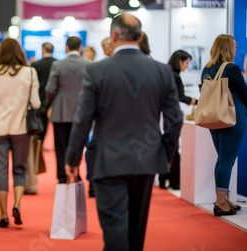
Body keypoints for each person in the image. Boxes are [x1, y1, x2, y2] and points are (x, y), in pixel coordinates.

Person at [65, 13, 182, 251]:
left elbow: (83, 120)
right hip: (147, 160)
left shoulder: (97, 71)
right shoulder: (161, 71)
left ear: (114, 36)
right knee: (136, 228)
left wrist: (72, 157)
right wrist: (166, 152)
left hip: (109, 161)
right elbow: (175, 120)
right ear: (139, 37)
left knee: (115, 228)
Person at [0, 38, 40, 228]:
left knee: (0, 169)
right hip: (21, 128)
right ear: (20, 53)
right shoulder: (30, 72)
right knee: (20, 168)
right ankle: (17, 204)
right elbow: (37, 103)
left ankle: (3, 214)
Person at [201, 34, 247, 216]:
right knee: (227, 160)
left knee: (222, 159)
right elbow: (244, 95)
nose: (236, 49)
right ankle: (221, 202)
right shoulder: (232, 69)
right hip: (232, 118)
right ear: (228, 48)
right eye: (234, 46)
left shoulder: (207, 68)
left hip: (214, 118)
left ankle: (223, 199)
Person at [45, 36, 89, 183]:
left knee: (60, 146)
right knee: (78, 144)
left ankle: (62, 177)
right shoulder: (88, 65)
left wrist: (51, 102)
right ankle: (76, 174)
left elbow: (50, 89)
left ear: (66, 48)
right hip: (81, 111)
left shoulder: (58, 65)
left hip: (61, 111)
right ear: (80, 47)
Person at [160, 50, 196, 190]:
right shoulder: (174, 76)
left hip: (167, 114)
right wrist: (194, 101)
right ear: (179, 61)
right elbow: (179, 96)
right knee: (172, 148)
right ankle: (174, 182)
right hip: (171, 116)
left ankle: (164, 180)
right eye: (186, 63)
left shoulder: (167, 73)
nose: (187, 66)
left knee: (168, 147)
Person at [26, 42, 56, 194]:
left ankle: (39, 150)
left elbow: (33, 87)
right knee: (59, 139)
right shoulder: (58, 64)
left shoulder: (35, 66)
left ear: (43, 50)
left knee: (38, 135)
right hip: (56, 105)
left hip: (38, 105)